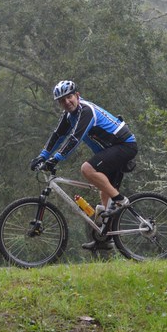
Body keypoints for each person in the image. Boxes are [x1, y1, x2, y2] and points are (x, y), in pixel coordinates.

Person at [29, 80, 137, 251]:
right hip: (112, 149)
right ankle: (105, 239)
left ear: (77, 96)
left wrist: (55, 159)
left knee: (87, 169)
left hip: (124, 145)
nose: (67, 102)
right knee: (104, 195)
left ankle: (121, 200)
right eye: (62, 100)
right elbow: (57, 136)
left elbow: (74, 139)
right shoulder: (69, 116)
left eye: (69, 97)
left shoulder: (86, 111)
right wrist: (42, 156)